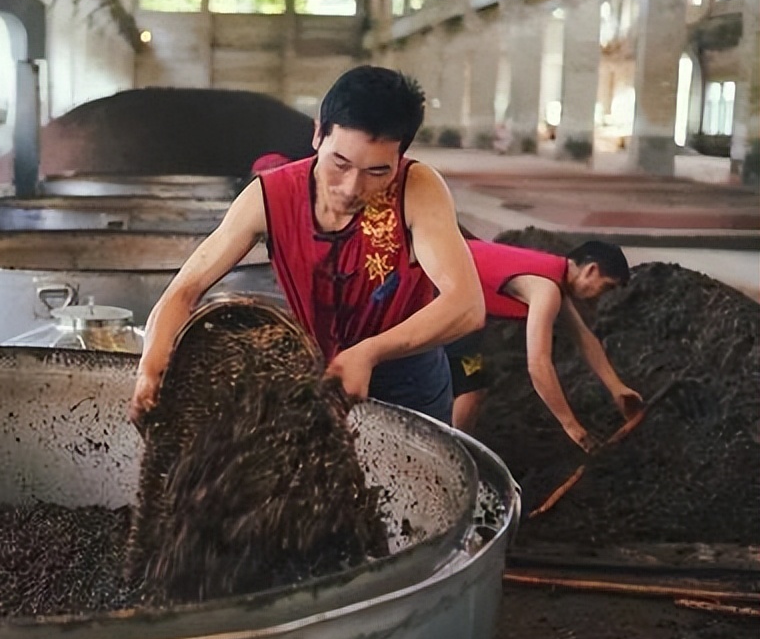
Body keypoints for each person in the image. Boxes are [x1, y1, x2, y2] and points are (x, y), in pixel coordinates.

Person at [129, 66, 485, 423]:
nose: (351, 188)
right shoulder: (270, 196)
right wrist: (153, 360)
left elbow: (466, 305)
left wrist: (370, 352)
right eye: (339, 163)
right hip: (316, 371)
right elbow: (183, 290)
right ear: (318, 134)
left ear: (401, 156)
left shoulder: (416, 188)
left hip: (408, 378)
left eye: (377, 172)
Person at [445, 238, 644, 450]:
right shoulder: (547, 289)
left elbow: (584, 337)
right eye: (605, 287)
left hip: (458, 294)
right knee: (471, 389)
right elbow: (538, 365)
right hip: (441, 288)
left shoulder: (554, 275)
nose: (601, 297)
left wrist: (616, 388)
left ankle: (455, 446)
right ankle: (453, 451)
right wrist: (573, 427)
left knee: (472, 380)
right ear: (591, 270)